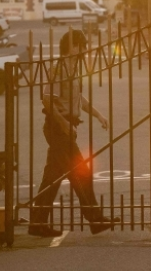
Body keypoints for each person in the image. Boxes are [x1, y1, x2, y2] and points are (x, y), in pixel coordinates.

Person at [29, 29, 119, 236]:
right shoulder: (58, 69)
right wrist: (63, 124)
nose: (85, 50)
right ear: (72, 47)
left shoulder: (72, 69)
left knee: (52, 178)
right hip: (57, 128)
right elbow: (47, 99)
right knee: (81, 172)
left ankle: (37, 222)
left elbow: (79, 99)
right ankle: (94, 218)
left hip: (67, 127)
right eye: (82, 45)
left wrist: (98, 115)